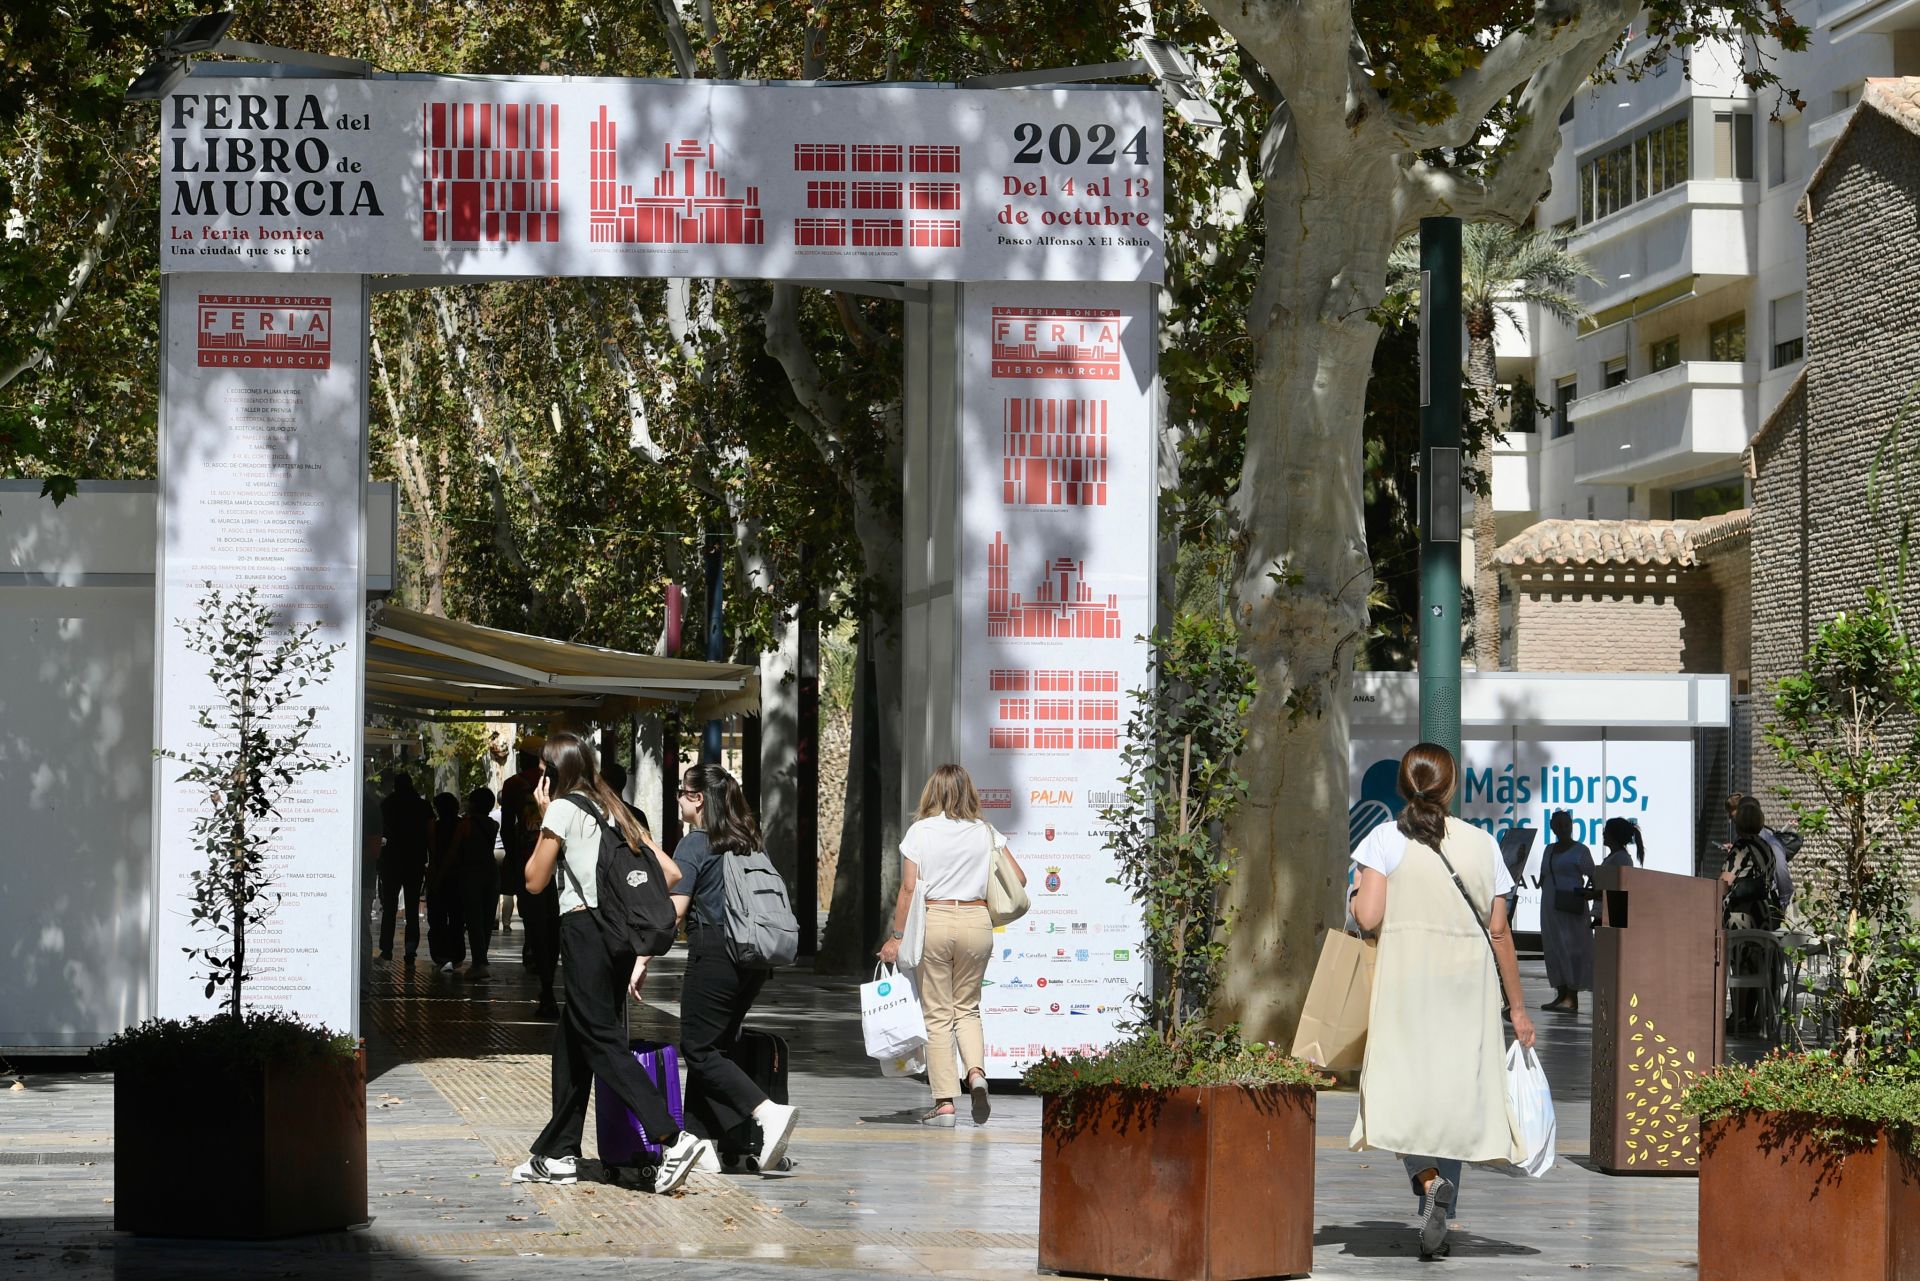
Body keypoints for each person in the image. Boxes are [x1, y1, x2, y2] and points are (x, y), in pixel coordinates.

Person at [1349, 743, 1535, 1261]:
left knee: (1402, 1088)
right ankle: (1441, 1210)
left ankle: (1428, 1180)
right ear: (1450, 787)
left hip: (1407, 982)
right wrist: (1518, 1009)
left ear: (1404, 787)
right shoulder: (1483, 845)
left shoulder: (1384, 839)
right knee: (1453, 1093)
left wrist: (1353, 896)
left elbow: (1367, 917)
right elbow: (1500, 933)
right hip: (1467, 987)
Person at [514, 730, 711, 1192]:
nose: (538, 779)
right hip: (618, 939)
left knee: (601, 1040)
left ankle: (672, 1137)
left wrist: (546, 819)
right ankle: (560, 1153)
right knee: (573, 1042)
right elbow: (672, 872)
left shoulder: (562, 809)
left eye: (542, 770)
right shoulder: (614, 808)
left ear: (554, 772)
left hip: (584, 932)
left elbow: (534, 880)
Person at [669, 763, 802, 1169]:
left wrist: (638, 950)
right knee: (715, 1047)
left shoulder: (694, 844)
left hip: (715, 952)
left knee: (698, 1048)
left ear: (696, 798)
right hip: (753, 958)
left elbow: (675, 910)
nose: (678, 798)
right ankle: (699, 1140)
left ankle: (766, 1113)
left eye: (681, 791)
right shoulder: (748, 841)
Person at [878, 763, 1026, 1128]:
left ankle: (944, 1102)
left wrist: (896, 937)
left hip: (936, 920)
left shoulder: (921, 832)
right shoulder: (985, 832)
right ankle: (976, 1073)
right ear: (968, 793)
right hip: (977, 921)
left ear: (932, 793)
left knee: (938, 1013)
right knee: (968, 1007)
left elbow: (909, 888)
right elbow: (1019, 878)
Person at [1538, 810, 1595, 1014]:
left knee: (1573, 947)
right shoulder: (1549, 849)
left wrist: (1585, 895)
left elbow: (1593, 876)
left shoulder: (1580, 850)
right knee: (1553, 947)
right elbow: (1544, 876)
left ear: (1571, 825)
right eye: (1558, 825)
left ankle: (1572, 996)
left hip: (1571, 906)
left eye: (1566, 824)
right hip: (1551, 905)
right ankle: (1561, 994)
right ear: (1552, 827)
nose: (1563, 828)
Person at [378, 772, 434, 963]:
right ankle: (410, 949)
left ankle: (386, 949)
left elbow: (380, 831)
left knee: (389, 907)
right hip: (415, 860)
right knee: (411, 908)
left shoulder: (387, 804)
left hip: (391, 860)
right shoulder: (422, 805)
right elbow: (430, 833)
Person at [1721, 798, 1785, 931]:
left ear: (1739, 823)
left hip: (1741, 918)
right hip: (1762, 916)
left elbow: (1724, 883)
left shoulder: (1741, 846)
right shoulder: (1766, 845)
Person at [456, 786, 501, 970]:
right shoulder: (493, 824)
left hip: (472, 872)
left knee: (474, 918)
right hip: (491, 872)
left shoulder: (465, 824)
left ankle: (478, 960)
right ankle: (482, 957)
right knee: (487, 918)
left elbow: (455, 849)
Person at [425, 791, 466, 971]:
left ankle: (440, 954)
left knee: (437, 918)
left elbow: (433, 853)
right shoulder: (463, 825)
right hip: (458, 876)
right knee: (457, 918)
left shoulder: (433, 826)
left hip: (438, 875)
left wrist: (435, 876)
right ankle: (457, 954)